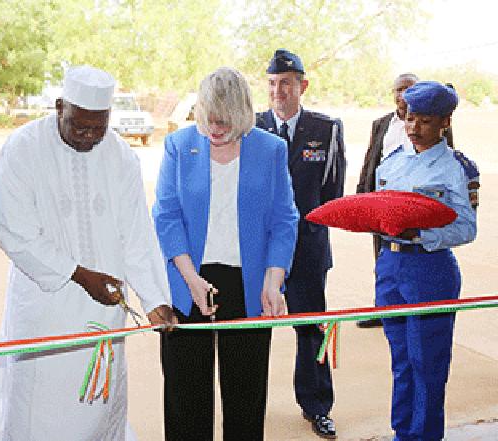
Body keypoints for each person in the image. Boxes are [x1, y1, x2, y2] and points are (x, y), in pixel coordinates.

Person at [0, 65, 177, 441]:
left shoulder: (121, 157)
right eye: (79, 126)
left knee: (99, 413)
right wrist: (79, 274)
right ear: (60, 107)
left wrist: (155, 298)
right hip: (46, 309)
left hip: (103, 311)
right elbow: (13, 230)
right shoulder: (23, 148)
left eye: (98, 127)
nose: (89, 136)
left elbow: (136, 235)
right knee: (38, 416)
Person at [154, 67, 299, 441]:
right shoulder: (179, 146)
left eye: (223, 121)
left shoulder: (271, 150)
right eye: (207, 120)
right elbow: (166, 216)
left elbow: (284, 220)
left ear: (242, 113)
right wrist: (189, 277)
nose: (214, 130)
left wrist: (273, 281)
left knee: (246, 397)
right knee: (185, 397)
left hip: (249, 286)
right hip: (188, 281)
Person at [374, 81, 476, 441]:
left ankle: (425, 436)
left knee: (427, 364)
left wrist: (423, 235)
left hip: (429, 269)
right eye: (410, 118)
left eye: (426, 121)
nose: (415, 128)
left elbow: (467, 228)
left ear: (445, 122)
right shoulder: (392, 161)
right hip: (390, 266)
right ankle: (403, 433)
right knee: (401, 362)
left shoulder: (456, 169)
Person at [255, 49, 346, 438]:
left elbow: (332, 192)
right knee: (252, 332)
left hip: (307, 250)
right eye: (273, 83)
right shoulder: (252, 126)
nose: (279, 91)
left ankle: (317, 405)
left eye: (287, 83)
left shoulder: (326, 129)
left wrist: (304, 229)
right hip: (259, 251)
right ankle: (248, 406)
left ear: (302, 86)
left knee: (311, 328)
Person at [355, 73, 453, 328]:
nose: (402, 95)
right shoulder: (381, 124)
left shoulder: (435, 127)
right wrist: (363, 195)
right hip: (384, 199)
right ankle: (384, 308)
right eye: (399, 90)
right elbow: (371, 160)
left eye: (408, 89)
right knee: (386, 254)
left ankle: (413, 309)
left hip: (418, 204)